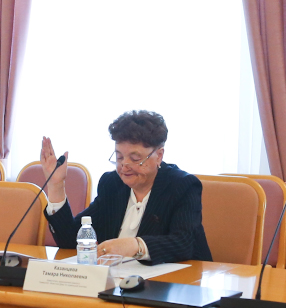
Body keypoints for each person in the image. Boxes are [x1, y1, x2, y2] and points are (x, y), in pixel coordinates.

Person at [40, 110, 212, 265]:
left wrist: (134, 246)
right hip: (118, 280)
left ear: (159, 155)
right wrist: (56, 185)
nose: (124, 166)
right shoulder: (112, 184)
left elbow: (183, 243)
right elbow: (71, 240)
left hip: (177, 281)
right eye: (119, 157)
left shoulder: (182, 185)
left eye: (135, 159)